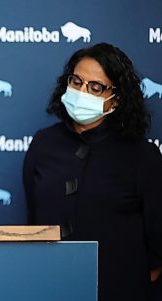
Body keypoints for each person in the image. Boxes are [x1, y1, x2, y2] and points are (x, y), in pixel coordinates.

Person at [23, 42, 162, 301]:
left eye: (95, 87)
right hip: (53, 287)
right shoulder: (43, 143)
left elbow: (158, 238)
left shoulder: (141, 155)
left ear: (116, 98)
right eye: (76, 81)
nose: (82, 91)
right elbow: (34, 216)